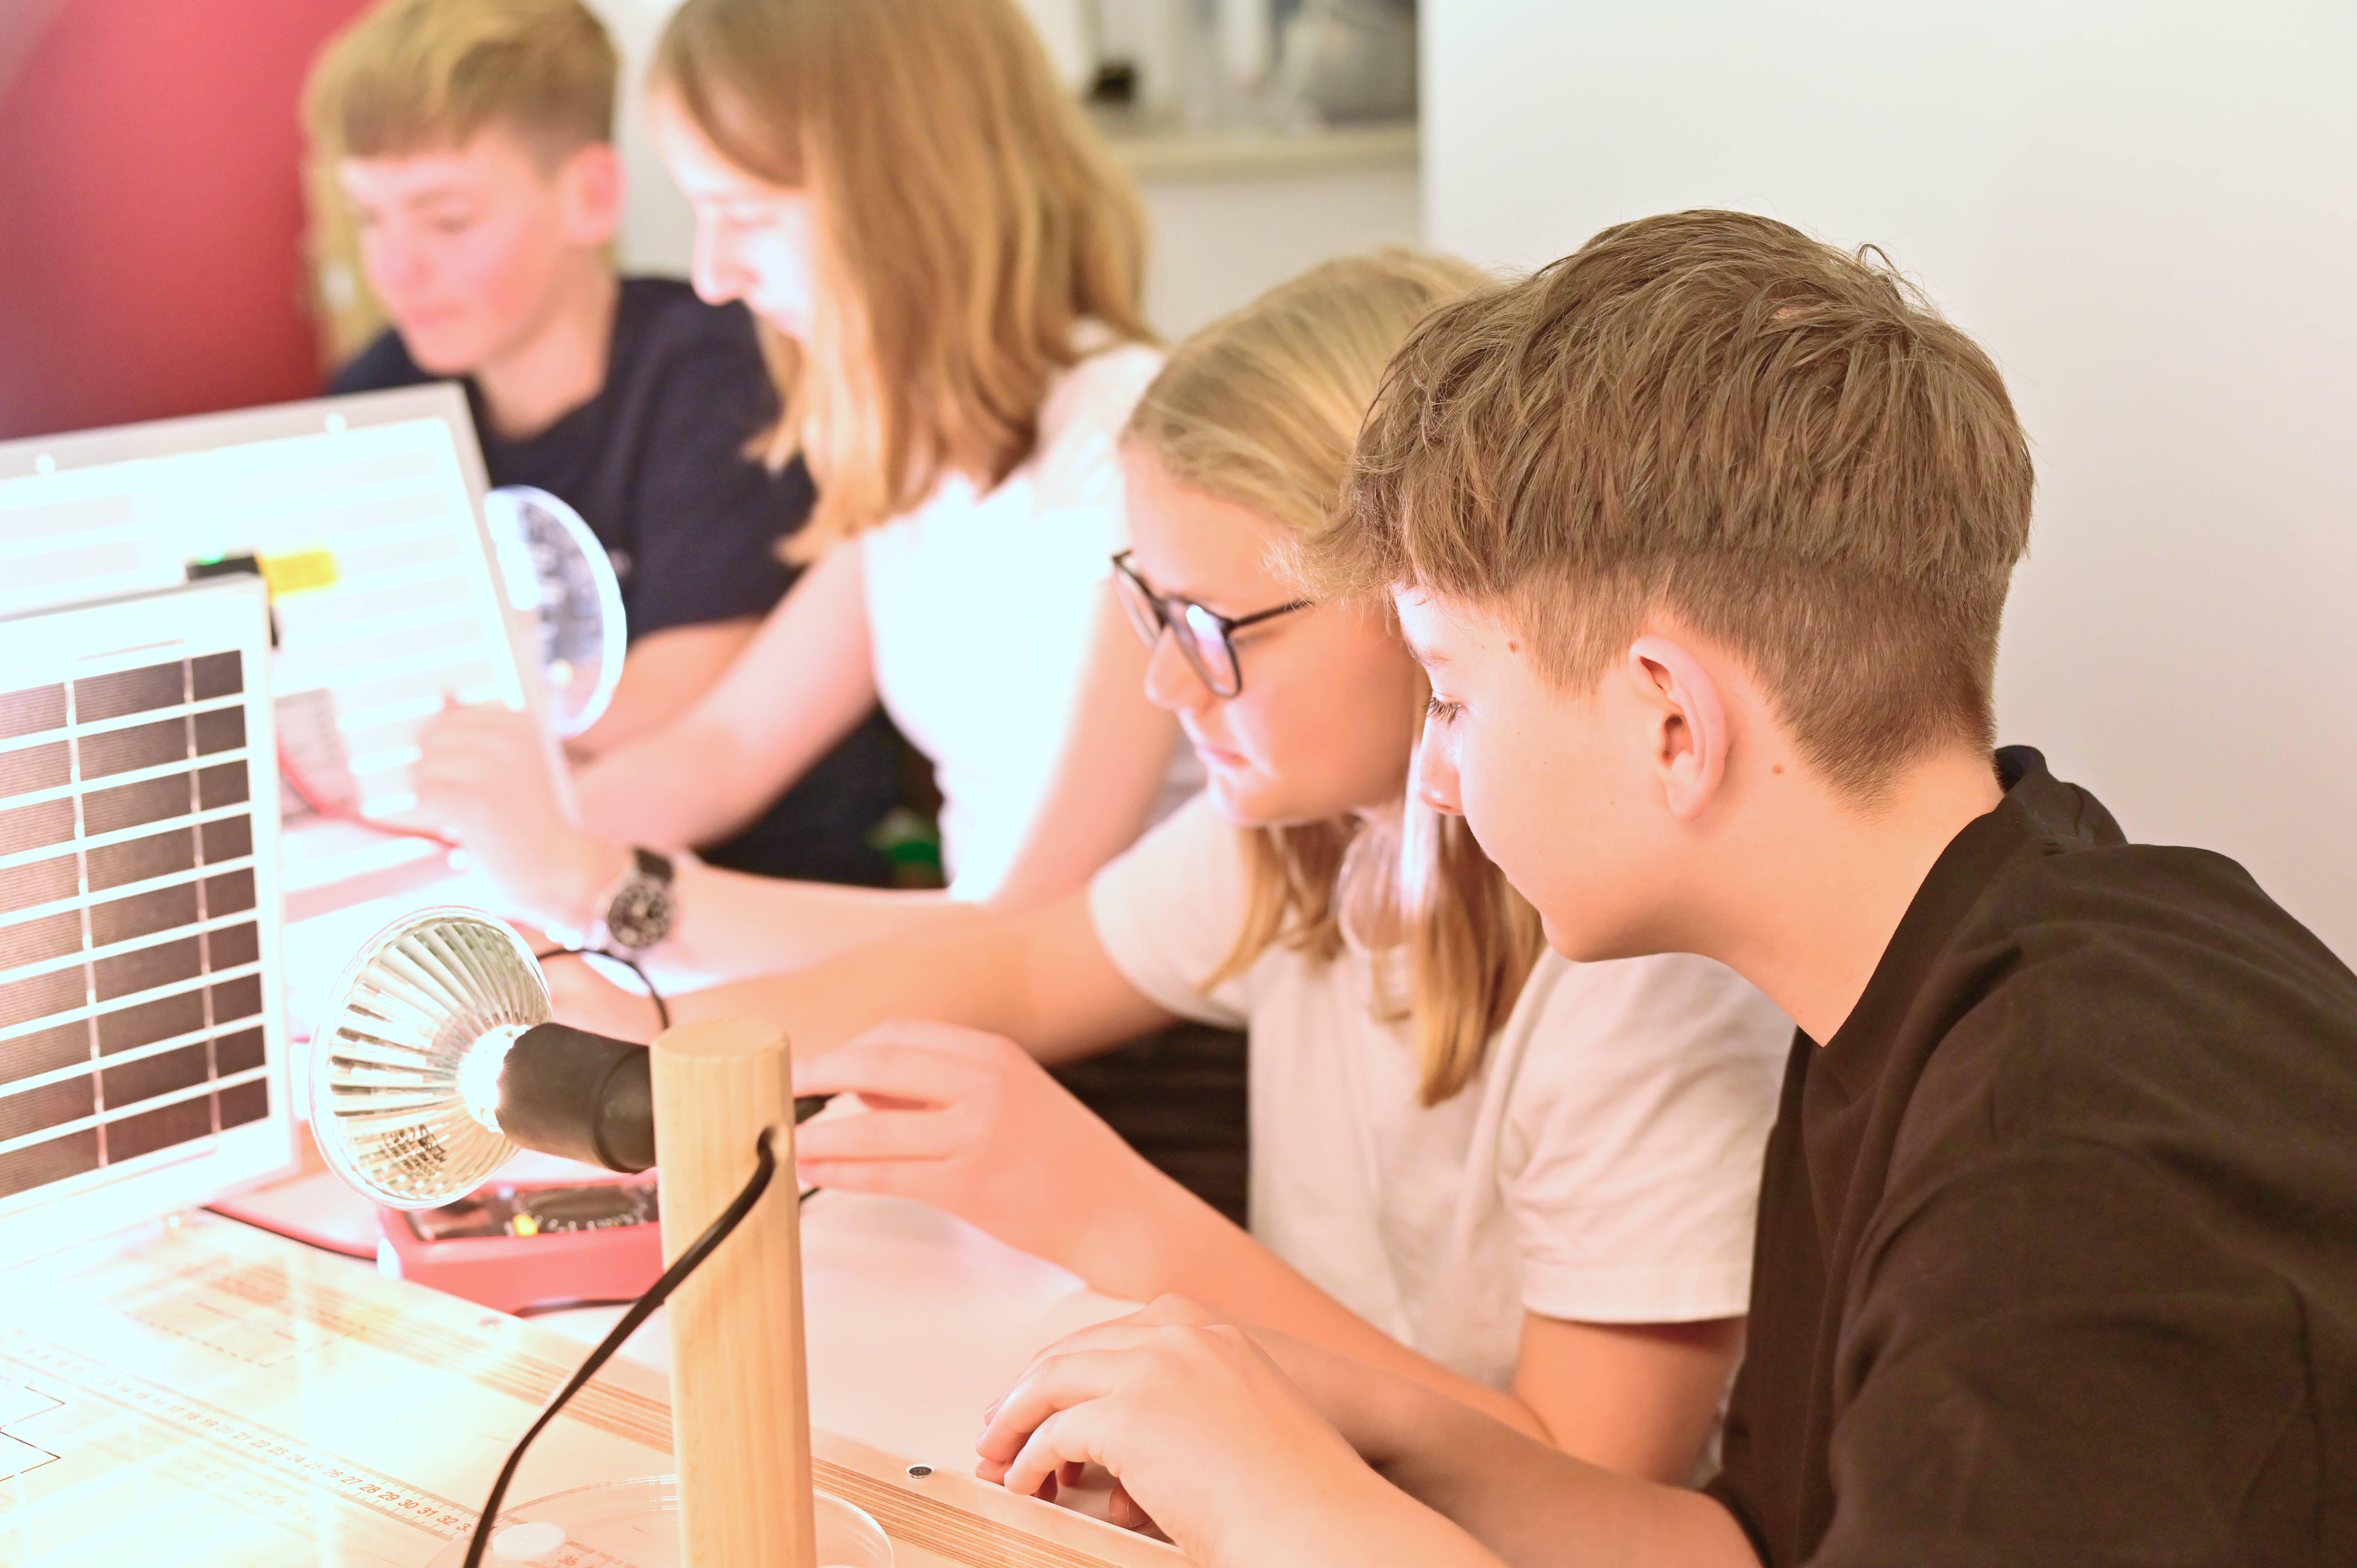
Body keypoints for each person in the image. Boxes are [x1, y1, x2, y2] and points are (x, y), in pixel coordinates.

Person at [968, 210, 2357, 1565]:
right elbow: (1744, 1543)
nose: (1434, 778)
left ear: (1673, 725)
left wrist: (1282, 1511)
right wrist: (1359, 1426)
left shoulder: (2059, 1168)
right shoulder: (1941, 968)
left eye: (1451, 696)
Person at [554, 252, 1793, 1481]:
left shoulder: (1639, 977)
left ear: (1418, 610)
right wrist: (651, 1039)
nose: (1165, 682)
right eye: (1151, 611)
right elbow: (1013, 968)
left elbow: (1598, 1489)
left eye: (1207, 625)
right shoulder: (1295, 847)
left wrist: (1105, 1213)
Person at [405, 0, 1190, 976]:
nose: (712, 276)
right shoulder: (926, 449)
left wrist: (594, 882)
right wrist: (468, 856)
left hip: (1131, 1038)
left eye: (746, 217)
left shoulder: (1120, 455)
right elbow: (725, 749)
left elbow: (1026, 930)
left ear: (907, 199)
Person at [302, 0, 905, 888]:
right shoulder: (375, 397)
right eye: (370, 219)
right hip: (507, 862)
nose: (395, 267)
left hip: (760, 879)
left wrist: (463, 750)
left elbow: (679, 704)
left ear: (589, 197)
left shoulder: (715, 370)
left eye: (449, 220)